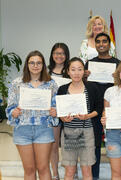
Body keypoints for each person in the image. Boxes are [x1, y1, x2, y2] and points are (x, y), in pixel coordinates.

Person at [6, 50, 58, 180]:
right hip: (23, 130)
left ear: (43, 65)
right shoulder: (16, 83)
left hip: (43, 129)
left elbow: (56, 106)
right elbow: (10, 107)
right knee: (29, 169)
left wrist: (55, 111)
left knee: (43, 168)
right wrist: (14, 112)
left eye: (39, 63)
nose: (35, 66)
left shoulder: (51, 84)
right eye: (32, 63)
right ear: (27, 65)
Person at [57, 57, 102, 180]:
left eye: (80, 69)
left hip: (87, 132)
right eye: (73, 69)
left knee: (87, 171)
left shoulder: (92, 88)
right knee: (70, 171)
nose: (76, 73)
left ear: (84, 71)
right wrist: (63, 118)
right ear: (68, 71)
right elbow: (59, 111)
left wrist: (87, 116)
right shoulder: (62, 89)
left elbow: (99, 108)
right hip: (68, 133)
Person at [84, 32, 120, 180]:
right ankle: (95, 176)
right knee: (95, 144)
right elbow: (83, 85)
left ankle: (117, 175)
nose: (101, 44)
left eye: (104, 41)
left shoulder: (118, 63)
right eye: (98, 42)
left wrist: (117, 78)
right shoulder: (89, 63)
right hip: (94, 109)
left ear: (109, 44)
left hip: (114, 108)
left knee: (115, 143)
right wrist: (84, 76)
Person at [48, 42, 70, 180]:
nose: (59, 56)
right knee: (54, 145)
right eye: (56, 53)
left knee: (70, 146)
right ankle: (55, 174)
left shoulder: (71, 70)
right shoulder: (46, 72)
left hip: (69, 113)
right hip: (54, 114)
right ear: (52, 55)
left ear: (66, 55)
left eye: (62, 53)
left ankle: (72, 172)